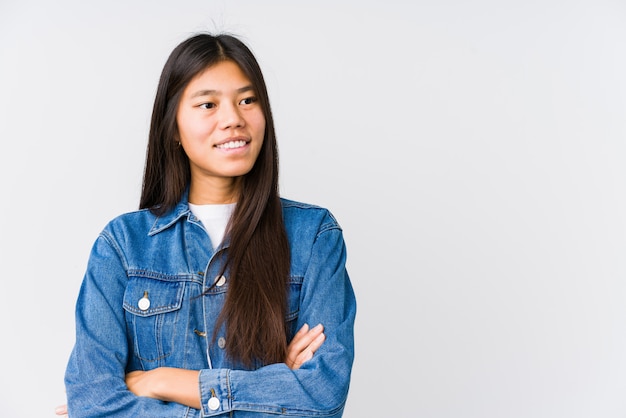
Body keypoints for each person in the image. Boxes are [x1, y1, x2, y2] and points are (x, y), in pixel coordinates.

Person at [58, 32, 356, 417]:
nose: (233, 118)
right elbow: (93, 403)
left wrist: (163, 381)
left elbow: (323, 399)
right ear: (174, 128)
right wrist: (273, 387)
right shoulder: (123, 246)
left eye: (247, 100)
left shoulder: (313, 236)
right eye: (208, 104)